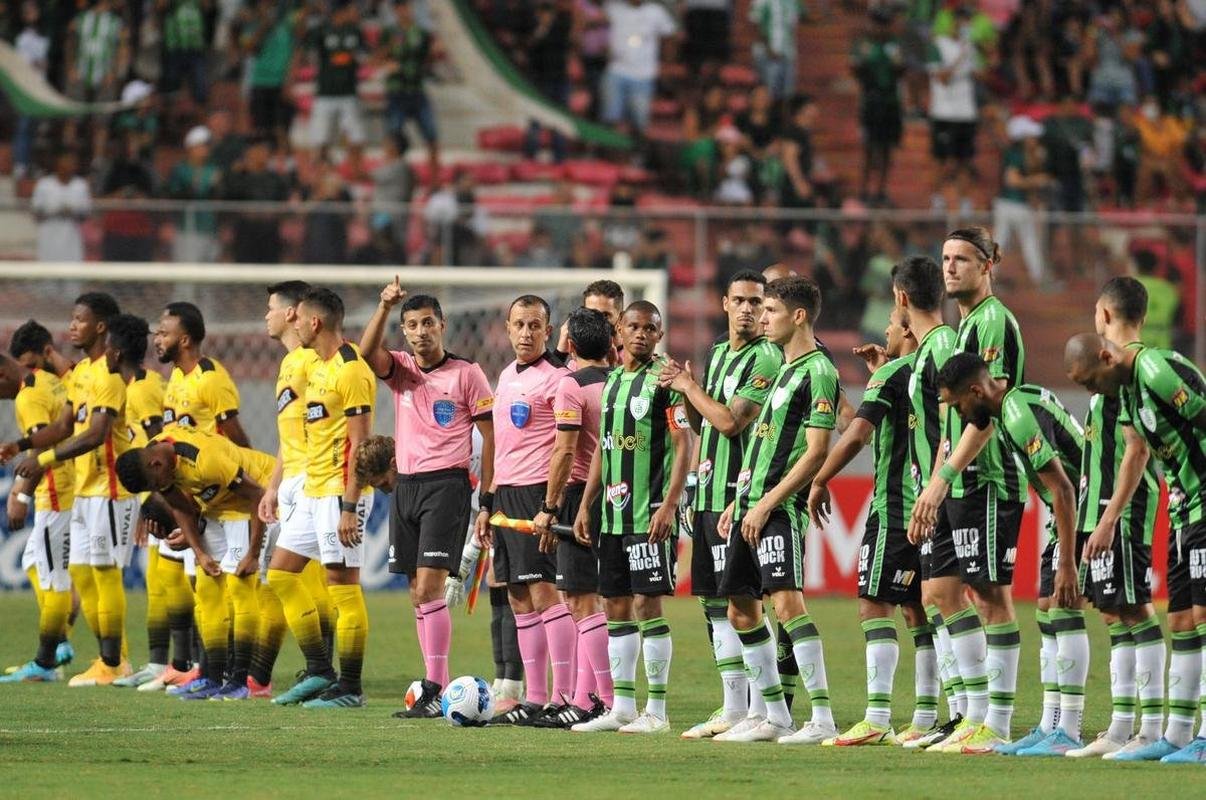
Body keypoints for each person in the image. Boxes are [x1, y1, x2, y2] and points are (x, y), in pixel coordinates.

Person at [907, 227, 1027, 755]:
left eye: (962, 259)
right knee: (942, 592)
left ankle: (995, 723)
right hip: (959, 478)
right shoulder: (965, 327)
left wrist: (944, 480)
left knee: (992, 596)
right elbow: (954, 419)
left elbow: (985, 415)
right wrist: (933, 484)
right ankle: (969, 714)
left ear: (989, 264)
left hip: (989, 478)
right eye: (945, 258)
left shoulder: (993, 320)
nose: (951, 267)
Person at [1063, 332, 1206, 763]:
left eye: (1090, 381)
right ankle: (1178, 736)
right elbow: (1135, 452)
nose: (1090, 391)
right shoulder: (1126, 391)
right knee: (1180, 619)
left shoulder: (1158, 371)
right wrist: (1108, 519)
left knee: (1203, 615)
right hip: (1182, 509)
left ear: (1107, 356)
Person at [937, 354, 1089, 756]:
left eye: (958, 405)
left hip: (1084, 513)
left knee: (1063, 607)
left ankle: (1069, 730)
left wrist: (1069, 561)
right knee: (1045, 608)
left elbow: (1063, 489)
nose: (960, 414)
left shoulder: (1019, 413)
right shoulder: (1009, 409)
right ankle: (1051, 724)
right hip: (1065, 519)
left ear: (976, 391)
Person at [358, 280, 494, 717]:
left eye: (428, 323)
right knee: (417, 591)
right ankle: (432, 678)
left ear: (443, 325)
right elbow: (365, 352)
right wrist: (383, 306)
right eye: (412, 325)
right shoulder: (400, 370)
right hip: (407, 487)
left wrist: (487, 496)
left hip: (447, 486)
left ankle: (435, 685)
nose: (420, 332)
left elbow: (491, 439)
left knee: (432, 587)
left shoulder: (467, 373)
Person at [657, 270, 782, 739]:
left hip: (738, 495)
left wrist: (692, 390)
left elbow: (731, 423)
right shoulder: (719, 352)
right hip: (707, 492)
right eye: (741, 300)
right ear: (724, 304)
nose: (749, 309)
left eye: (757, 301)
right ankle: (733, 706)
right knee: (714, 604)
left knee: (743, 604)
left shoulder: (766, 356)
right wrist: (687, 391)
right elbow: (703, 421)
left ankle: (767, 710)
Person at [714, 276, 840, 745]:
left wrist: (767, 502)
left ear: (799, 316)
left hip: (778, 510)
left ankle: (822, 718)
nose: (762, 318)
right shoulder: (784, 369)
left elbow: (815, 451)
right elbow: (763, 446)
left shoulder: (818, 371)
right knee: (741, 610)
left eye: (770, 310)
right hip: (751, 505)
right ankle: (772, 716)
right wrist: (739, 499)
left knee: (787, 605)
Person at [806, 305, 938, 746]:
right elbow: (872, 423)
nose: (883, 332)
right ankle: (926, 716)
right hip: (925, 506)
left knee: (873, 605)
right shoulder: (919, 371)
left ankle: (878, 718)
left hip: (894, 509)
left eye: (889, 325)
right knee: (918, 610)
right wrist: (874, 373)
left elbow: (858, 434)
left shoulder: (894, 373)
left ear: (906, 330)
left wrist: (821, 478)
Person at [568, 301, 690, 735]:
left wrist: (671, 504)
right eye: (633, 326)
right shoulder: (614, 381)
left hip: (649, 513)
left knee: (647, 605)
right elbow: (603, 448)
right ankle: (622, 706)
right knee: (615, 606)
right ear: (619, 331)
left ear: (659, 334)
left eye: (649, 328)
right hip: (613, 517)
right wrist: (586, 503)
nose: (640, 334)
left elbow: (682, 444)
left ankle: (656, 711)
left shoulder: (666, 382)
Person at [2, 294, 135, 686]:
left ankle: (115, 662)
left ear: (100, 327)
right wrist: (22, 446)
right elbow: (62, 427)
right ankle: (105, 660)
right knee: (82, 572)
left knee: (104, 574)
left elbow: (96, 433)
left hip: (109, 487)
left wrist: (40, 462)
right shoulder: (79, 375)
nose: (71, 326)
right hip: (84, 487)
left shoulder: (108, 376)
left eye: (79, 320)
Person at [1064, 277, 1165, 759]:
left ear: (1104, 314)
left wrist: (1108, 518)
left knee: (1134, 608)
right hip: (1099, 509)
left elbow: (1136, 449)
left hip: (1120, 510)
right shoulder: (1110, 372)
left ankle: (1149, 728)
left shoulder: (1129, 371)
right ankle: (1123, 727)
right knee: (1114, 611)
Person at [266, 288, 376, 709]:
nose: (292, 324)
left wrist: (350, 504)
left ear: (314, 322)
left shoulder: (351, 371)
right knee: (280, 574)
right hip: (313, 489)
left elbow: (360, 445)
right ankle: (319, 671)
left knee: (343, 588)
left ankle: (350, 688)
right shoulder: (317, 368)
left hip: (337, 494)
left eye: (298, 320)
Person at [474, 295, 576, 725]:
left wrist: (552, 505)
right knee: (517, 595)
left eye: (535, 326)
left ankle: (563, 694)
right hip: (506, 496)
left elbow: (565, 447)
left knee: (545, 594)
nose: (526, 333)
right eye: (519, 325)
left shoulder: (558, 378)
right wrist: (487, 501)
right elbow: (499, 445)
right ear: (508, 327)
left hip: (538, 494)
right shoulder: (505, 376)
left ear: (547, 331)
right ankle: (532, 698)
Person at [115, 427, 274, 701]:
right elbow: (178, 505)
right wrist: (199, 550)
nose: (158, 490)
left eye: (153, 485)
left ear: (156, 464)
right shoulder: (158, 457)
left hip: (253, 502)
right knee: (206, 588)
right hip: (215, 507)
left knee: (239, 586)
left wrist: (253, 553)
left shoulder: (206, 461)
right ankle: (211, 677)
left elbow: (258, 495)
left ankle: (239, 682)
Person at [883, 255, 963, 748]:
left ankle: (969, 711)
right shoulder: (932, 348)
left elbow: (951, 428)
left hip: (944, 492)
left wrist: (933, 487)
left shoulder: (941, 349)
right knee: (934, 599)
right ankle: (957, 712)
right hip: (932, 490)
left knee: (947, 598)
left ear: (901, 298)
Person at [530, 307, 616, 727]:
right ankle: (586, 699)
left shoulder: (570, 386)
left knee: (581, 601)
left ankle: (603, 701)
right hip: (621, 494)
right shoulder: (620, 380)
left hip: (583, 493)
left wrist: (549, 507)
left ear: (571, 346)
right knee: (601, 600)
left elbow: (565, 451)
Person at [255, 281, 333, 698]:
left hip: (313, 480)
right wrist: (273, 486)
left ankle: (323, 669)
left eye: (271, 308)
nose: (265, 315)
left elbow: (323, 425)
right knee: (299, 578)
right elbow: (291, 435)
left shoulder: (309, 362)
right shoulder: (289, 364)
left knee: (303, 578)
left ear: (291, 313)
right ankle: (321, 670)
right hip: (293, 481)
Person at [0, 322, 76, 683]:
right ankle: (58, 641)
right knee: (35, 559)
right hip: (70, 485)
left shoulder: (29, 395)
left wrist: (21, 493)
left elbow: (43, 447)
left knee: (55, 575)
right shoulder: (48, 381)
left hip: (56, 490)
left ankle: (48, 660)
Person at [104, 314, 169, 690]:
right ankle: (159, 662)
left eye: (109, 348)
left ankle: (179, 662)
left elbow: (161, 448)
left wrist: (155, 501)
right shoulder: (135, 386)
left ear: (117, 352)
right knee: (157, 580)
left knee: (168, 580)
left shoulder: (143, 390)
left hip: (163, 495)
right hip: (154, 494)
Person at [601, 0, 677, 137]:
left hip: (644, 75)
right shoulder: (613, 7)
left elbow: (669, 36)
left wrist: (666, 65)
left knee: (640, 122)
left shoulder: (656, 11)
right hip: (616, 70)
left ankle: (636, 155)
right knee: (610, 117)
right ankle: (610, 152)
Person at [851, 8, 904, 203]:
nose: (881, 28)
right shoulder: (864, 45)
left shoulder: (894, 45)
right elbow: (856, 71)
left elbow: (901, 71)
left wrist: (897, 61)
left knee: (887, 148)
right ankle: (864, 190)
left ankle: (881, 191)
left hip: (890, 101)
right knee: (869, 148)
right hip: (871, 101)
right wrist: (863, 60)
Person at [926, 18, 979, 212]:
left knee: (965, 160)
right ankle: (937, 200)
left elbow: (979, 73)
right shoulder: (938, 46)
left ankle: (964, 202)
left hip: (966, 111)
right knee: (943, 161)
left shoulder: (970, 46)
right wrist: (961, 57)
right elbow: (942, 78)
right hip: (944, 111)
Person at [383, 0, 439, 176]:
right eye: (399, 7)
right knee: (392, 135)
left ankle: (434, 179)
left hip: (416, 89)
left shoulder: (421, 33)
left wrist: (434, 53)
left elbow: (428, 59)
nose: (403, 10)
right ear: (394, 10)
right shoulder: (389, 33)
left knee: (431, 135)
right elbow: (376, 58)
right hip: (397, 90)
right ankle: (389, 173)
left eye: (406, 6)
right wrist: (387, 60)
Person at [993, 116, 1050, 286]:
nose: (1035, 140)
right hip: (1013, 204)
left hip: (1012, 204)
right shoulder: (1016, 155)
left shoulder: (1022, 155)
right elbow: (1012, 180)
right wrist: (1037, 180)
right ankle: (1039, 278)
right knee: (1024, 242)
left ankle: (989, 278)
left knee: (1002, 241)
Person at [304, 0, 366, 149]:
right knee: (320, 140)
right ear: (341, 11)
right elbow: (310, 55)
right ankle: (323, 170)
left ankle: (355, 170)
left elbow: (363, 57)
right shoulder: (321, 31)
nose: (355, 12)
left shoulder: (355, 31)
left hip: (348, 92)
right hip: (325, 92)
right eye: (351, 9)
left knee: (356, 138)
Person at [222, 136, 290, 264]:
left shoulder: (275, 178)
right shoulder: (239, 177)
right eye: (258, 151)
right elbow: (228, 198)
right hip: (245, 233)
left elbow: (283, 201)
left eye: (265, 151)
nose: (262, 154)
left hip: (269, 233)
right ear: (249, 153)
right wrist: (234, 173)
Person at [523, 0, 572, 163]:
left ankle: (559, 157)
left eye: (548, 15)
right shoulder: (534, 31)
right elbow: (530, 54)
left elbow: (561, 46)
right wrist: (540, 32)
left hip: (559, 81)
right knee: (535, 120)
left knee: (558, 121)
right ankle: (531, 156)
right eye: (542, 15)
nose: (545, 18)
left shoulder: (561, 29)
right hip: (540, 82)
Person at [165, 126, 221, 264]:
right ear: (191, 148)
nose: (205, 150)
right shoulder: (180, 170)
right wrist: (194, 184)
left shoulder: (213, 169)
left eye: (207, 146)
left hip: (210, 229)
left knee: (209, 279)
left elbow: (219, 197)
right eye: (201, 146)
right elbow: (174, 195)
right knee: (186, 276)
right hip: (187, 230)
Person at [31, 150, 91, 263]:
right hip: (49, 238)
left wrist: (72, 212)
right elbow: (36, 214)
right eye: (66, 163)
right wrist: (54, 210)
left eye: (72, 164)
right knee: (47, 275)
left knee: (72, 275)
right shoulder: (44, 185)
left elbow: (85, 215)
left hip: (72, 239)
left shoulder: (80, 185)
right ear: (58, 165)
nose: (69, 167)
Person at [13, 1, 48, 179]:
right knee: (24, 127)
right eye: (28, 12)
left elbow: (44, 63)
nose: (31, 14)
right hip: (25, 88)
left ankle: (30, 163)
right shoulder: (20, 37)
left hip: (39, 87)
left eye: (33, 10)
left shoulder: (44, 37)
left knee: (36, 130)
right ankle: (20, 164)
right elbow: (20, 63)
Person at [749, 0, 801, 102]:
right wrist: (768, 48)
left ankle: (783, 117)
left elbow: (793, 25)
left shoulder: (792, 2)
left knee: (787, 94)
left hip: (788, 53)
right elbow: (754, 24)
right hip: (767, 54)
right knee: (768, 93)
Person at [1131, 250, 1179, 350]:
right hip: (1162, 341)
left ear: (1136, 265)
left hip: (1137, 340)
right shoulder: (1168, 289)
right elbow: (1176, 314)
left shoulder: (1130, 286)